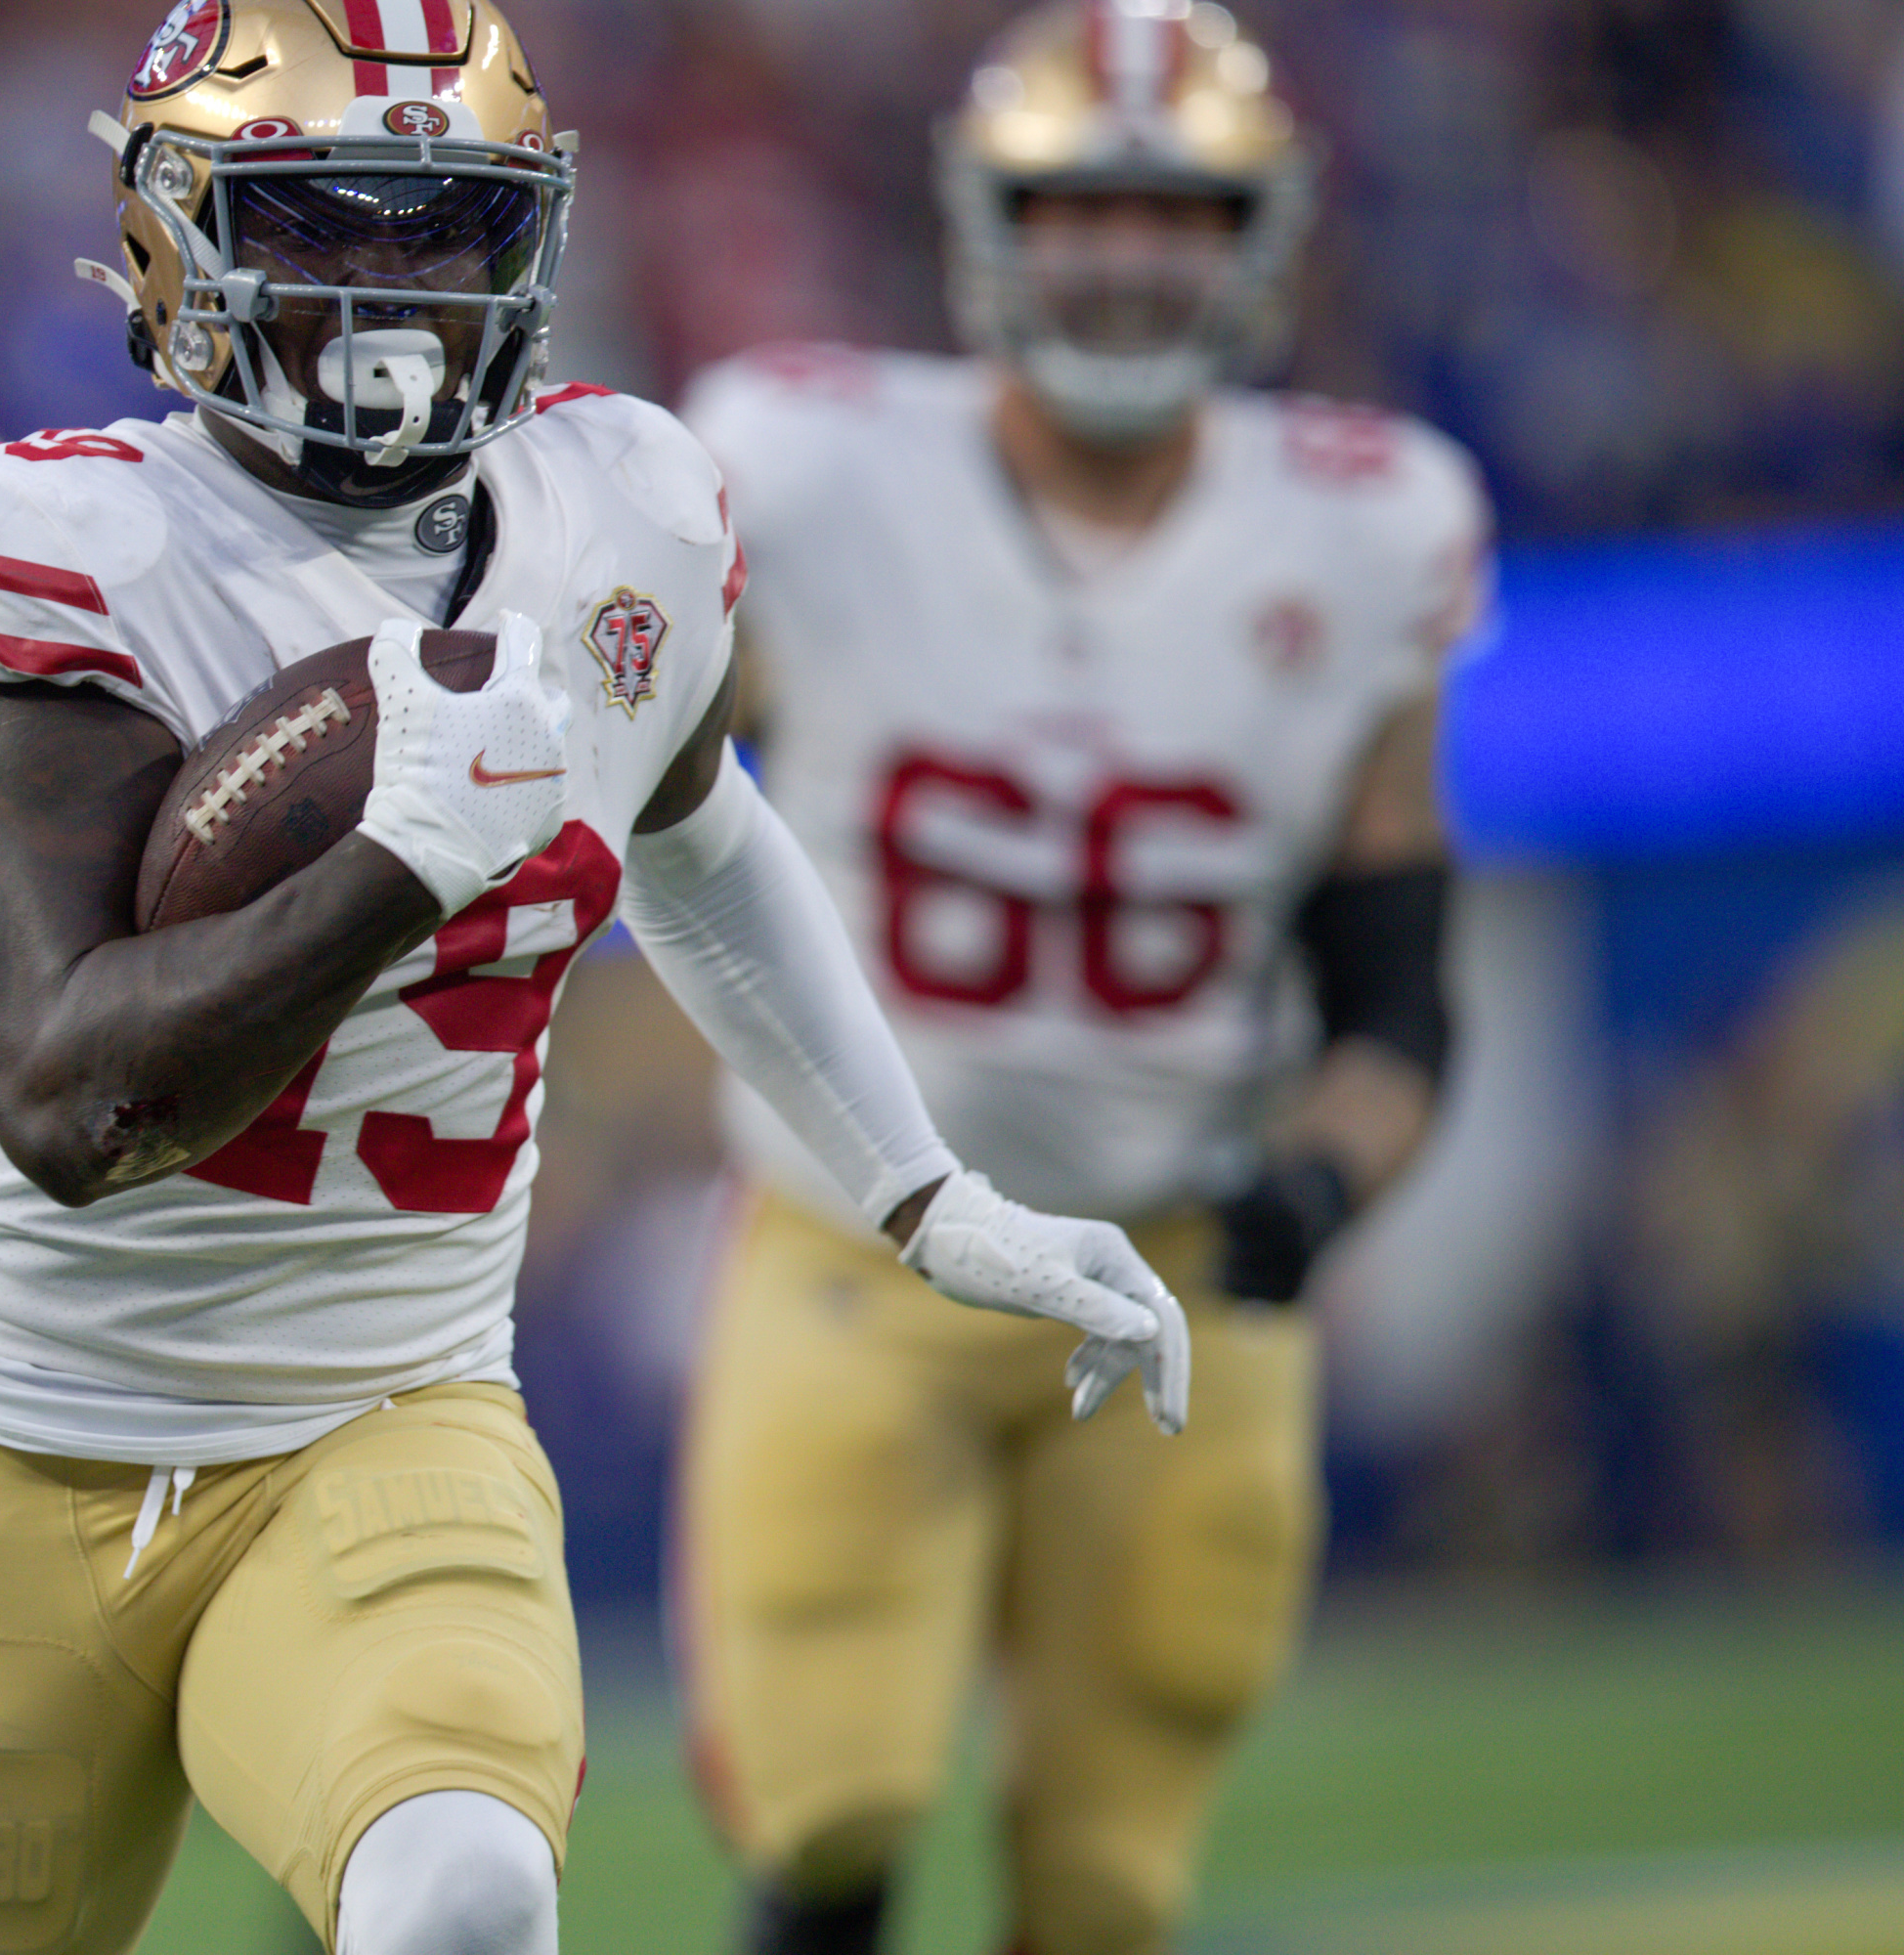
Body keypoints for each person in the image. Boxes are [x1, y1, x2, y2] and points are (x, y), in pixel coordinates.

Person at [0, 5, 1199, 1952]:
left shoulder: (619, 508)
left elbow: (705, 846)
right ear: (174, 231)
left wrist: (924, 1191)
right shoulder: (71, 546)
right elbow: (64, 1102)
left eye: (439, 228)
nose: (391, 285)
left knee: (460, 1896)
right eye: (326, 223)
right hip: (18, 1433)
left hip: (390, 1410)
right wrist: (396, 865)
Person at [670, 7, 1483, 1952]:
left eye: (1175, 212)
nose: (1124, 256)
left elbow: (1394, 980)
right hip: (863, 1235)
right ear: (989, 229)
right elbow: (655, 812)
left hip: (1176, 1258)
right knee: (834, 1794)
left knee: (1107, 1880)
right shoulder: (801, 462)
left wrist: (1318, 1190)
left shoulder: (1372, 524)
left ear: (1256, 240)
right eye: (1078, 207)